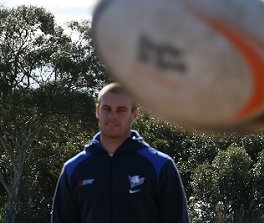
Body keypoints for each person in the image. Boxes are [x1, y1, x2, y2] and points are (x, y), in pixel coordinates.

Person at [51, 82, 190, 223]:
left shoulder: (160, 166)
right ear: (97, 111)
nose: (112, 115)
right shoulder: (73, 169)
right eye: (107, 109)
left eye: (121, 110)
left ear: (134, 114)